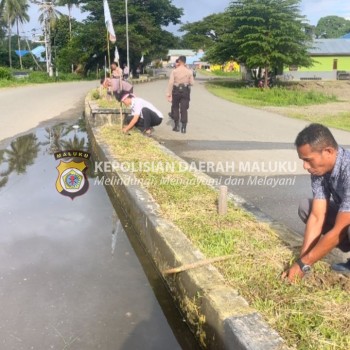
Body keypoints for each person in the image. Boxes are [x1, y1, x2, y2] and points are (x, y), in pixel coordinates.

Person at [283, 123, 350, 283]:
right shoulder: (319, 170)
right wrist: (301, 260)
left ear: (328, 151)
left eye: (308, 160)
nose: (305, 166)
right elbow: (317, 216)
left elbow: (339, 230)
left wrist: (304, 264)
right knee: (307, 207)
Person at [167, 55, 194, 134]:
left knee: (175, 107)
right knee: (184, 109)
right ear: (185, 62)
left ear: (179, 61)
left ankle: (176, 126)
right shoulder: (189, 71)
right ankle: (184, 127)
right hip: (185, 91)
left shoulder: (175, 71)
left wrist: (168, 93)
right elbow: (192, 83)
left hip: (176, 91)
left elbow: (171, 82)